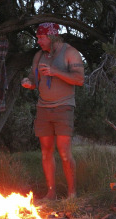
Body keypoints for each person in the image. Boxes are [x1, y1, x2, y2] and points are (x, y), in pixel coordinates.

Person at [21, 23, 84, 200]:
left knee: (64, 152)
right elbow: (34, 78)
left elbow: (79, 79)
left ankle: (72, 193)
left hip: (64, 107)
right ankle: (51, 193)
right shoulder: (39, 55)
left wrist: (55, 71)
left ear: (52, 36)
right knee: (46, 152)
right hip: (43, 108)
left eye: (41, 37)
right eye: (38, 37)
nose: (38, 40)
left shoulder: (70, 53)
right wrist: (29, 82)